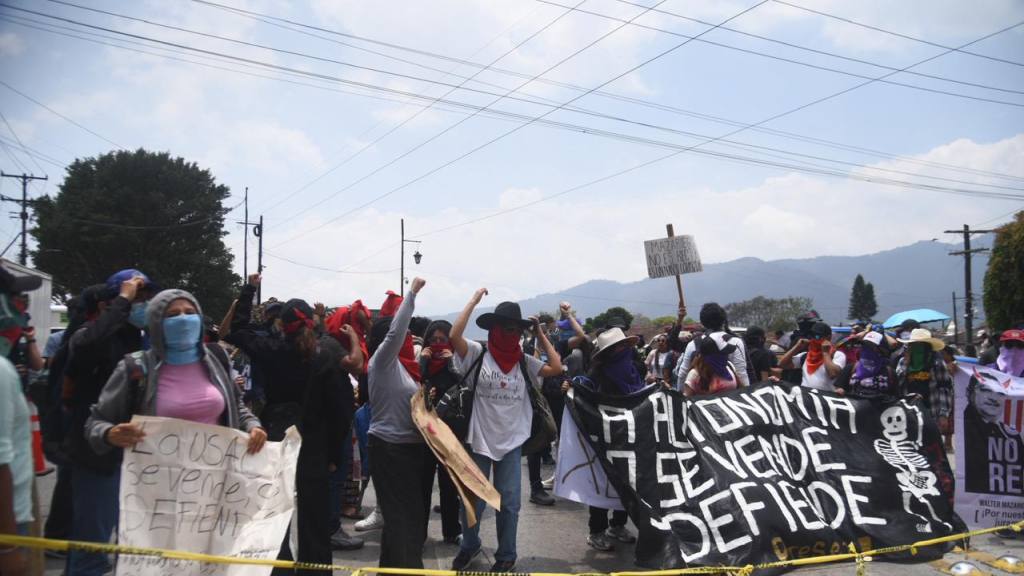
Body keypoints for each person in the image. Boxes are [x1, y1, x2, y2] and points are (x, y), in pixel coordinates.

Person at [226, 275, 353, 576]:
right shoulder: (328, 353)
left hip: (275, 438)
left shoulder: (269, 348)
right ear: (312, 322)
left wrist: (248, 291)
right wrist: (335, 455)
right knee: (315, 519)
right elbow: (340, 410)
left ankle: (278, 570)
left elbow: (236, 330)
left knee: (275, 514)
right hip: (315, 444)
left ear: (280, 324)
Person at [449, 290, 563, 573]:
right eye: (506, 328)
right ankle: (470, 545)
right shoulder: (478, 353)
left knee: (509, 504)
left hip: (512, 442)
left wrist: (538, 331)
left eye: (517, 329)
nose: (511, 333)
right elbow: (454, 337)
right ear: (494, 329)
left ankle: (507, 555)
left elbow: (557, 367)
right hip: (478, 440)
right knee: (473, 502)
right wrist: (473, 300)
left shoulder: (525, 361)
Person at [84, 288, 267, 453]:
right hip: (154, 480)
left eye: (190, 312)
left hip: (214, 479)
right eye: (172, 314)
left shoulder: (217, 359)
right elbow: (95, 423)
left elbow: (236, 405)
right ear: (157, 324)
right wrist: (109, 433)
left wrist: (253, 426)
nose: (183, 319)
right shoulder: (135, 367)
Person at [63, 269, 155, 576]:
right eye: (135, 298)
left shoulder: (141, 342)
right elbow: (87, 348)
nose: (140, 304)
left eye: (144, 298)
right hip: (97, 456)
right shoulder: (88, 336)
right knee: (92, 549)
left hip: (135, 459)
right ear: (109, 303)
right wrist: (123, 300)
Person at [366, 278, 436, 568]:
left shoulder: (404, 370)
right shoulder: (381, 361)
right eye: (405, 335)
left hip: (410, 450)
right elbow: (395, 332)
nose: (408, 339)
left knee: (409, 518)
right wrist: (412, 294)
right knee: (402, 519)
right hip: (389, 449)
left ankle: (392, 570)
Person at [571, 326, 642, 551]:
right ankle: (597, 530)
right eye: (617, 347)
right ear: (610, 352)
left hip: (629, 438)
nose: (622, 350)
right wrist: (572, 389)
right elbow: (586, 400)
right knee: (602, 485)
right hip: (605, 438)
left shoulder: (634, 370)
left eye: (623, 346)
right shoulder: (597, 375)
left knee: (627, 485)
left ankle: (617, 525)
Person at [0, 265, 42, 576]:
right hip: (10, 521)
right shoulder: (1, 371)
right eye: (15, 297)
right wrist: (8, 546)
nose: (22, 306)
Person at [419, 319, 463, 545]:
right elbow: (415, 390)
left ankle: (452, 531)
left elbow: (465, 388)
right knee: (423, 484)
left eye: (442, 340)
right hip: (425, 434)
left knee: (449, 485)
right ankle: (419, 532)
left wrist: (453, 363)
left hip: (450, 434)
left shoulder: (456, 364)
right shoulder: (423, 365)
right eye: (433, 340)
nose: (437, 345)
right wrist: (422, 364)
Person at [896, 328, 953, 439]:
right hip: (909, 413)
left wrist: (943, 415)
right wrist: (905, 368)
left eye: (921, 345)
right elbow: (898, 386)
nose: (918, 348)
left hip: (931, 412)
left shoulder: (937, 363)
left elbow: (944, 388)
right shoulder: (903, 362)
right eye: (915, 345)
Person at [778, 321, 847, 392]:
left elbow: (833, 374)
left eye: (817, 336)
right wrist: (797, 347)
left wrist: (825, 353)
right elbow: (782, 364)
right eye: (811, 336)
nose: (813, 339)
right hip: (807, 398)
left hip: (825, 399)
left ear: (828, 338)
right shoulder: (805, 356)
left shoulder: (837, 355)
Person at [834, 331, 899, 400]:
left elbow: (895, 397)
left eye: (871, 346)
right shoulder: (851, 368)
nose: (866, 349)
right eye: (864, 345)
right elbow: (839, 388)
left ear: (882, 351)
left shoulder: (889, 373)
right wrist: (840, 391)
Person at [683, 333, 741, 397]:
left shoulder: (729, 367)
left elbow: (740, 391)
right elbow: (686, 401)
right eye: (723, 353)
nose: (726, 356)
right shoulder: (695, 375)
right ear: (712, 356)